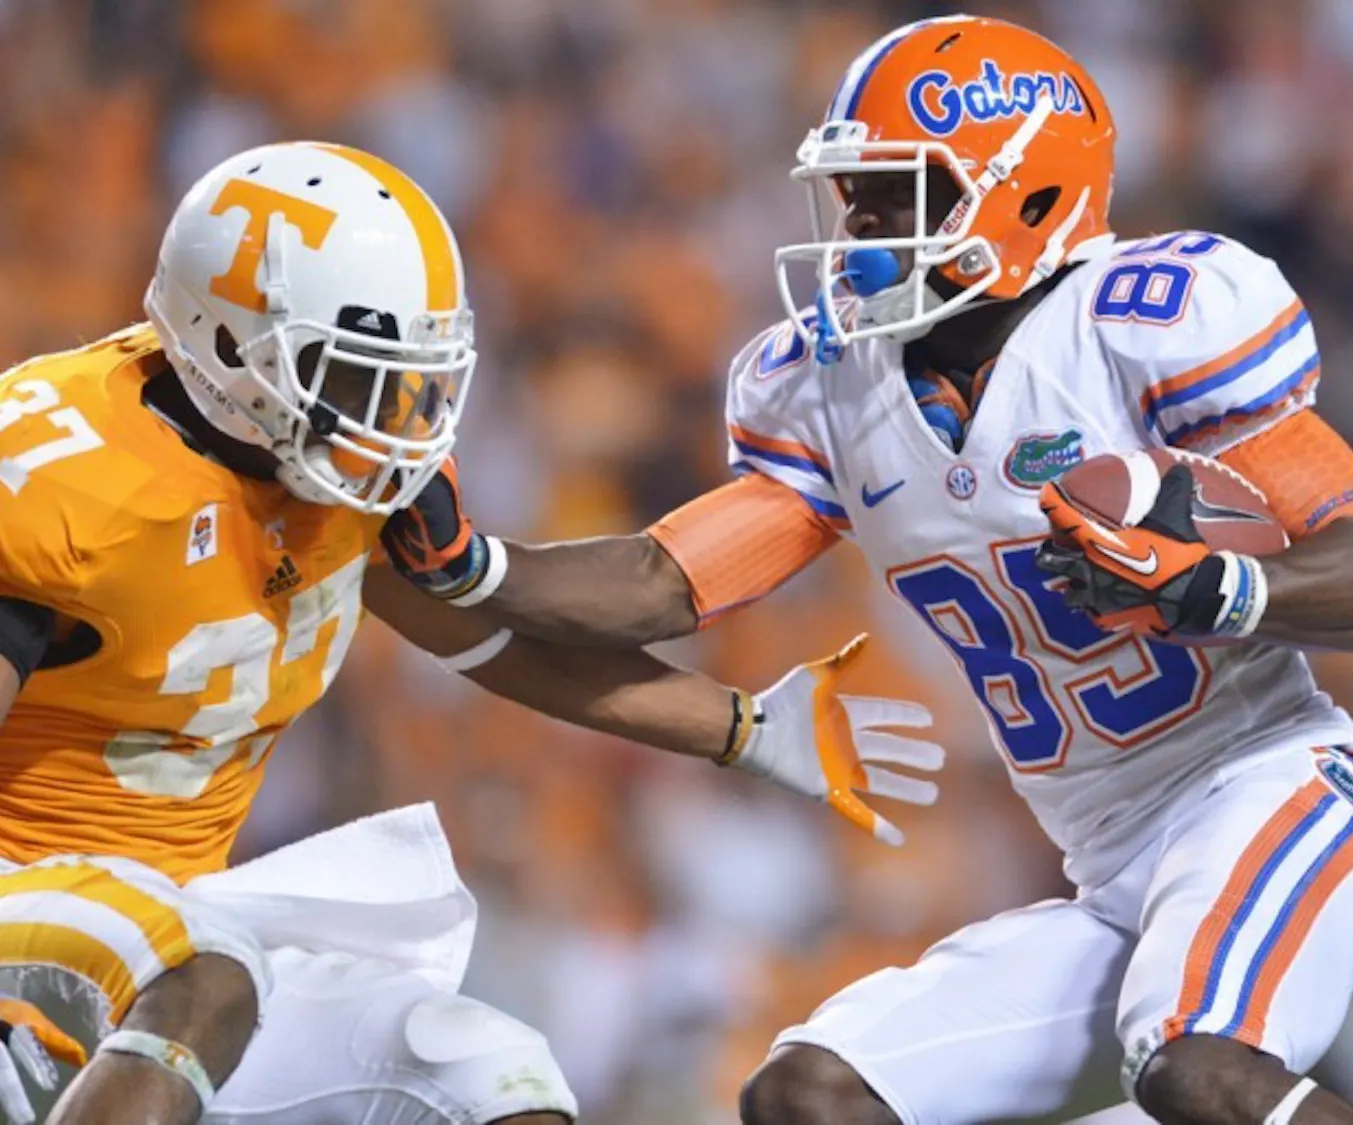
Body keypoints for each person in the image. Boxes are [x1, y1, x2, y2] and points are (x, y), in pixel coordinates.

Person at [396, 15, 1353, 1125]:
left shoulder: (1136, 325)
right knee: (811, 1096)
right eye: (856, 198)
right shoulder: (836, 388)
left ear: (1031, 193)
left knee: (1200, 1071)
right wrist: (471, 565)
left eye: (901, 196)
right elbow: (661, 582)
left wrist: (1213, 587)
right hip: (1107, 866)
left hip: (1274, 787)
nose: (861, 230)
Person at [0, 140, 942, 1125]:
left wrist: (742, 727)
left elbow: (491, 642)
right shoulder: (62, 482)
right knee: (204, 975)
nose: (393, 415)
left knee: (493, 1073)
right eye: (357, 374)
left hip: (183, 917)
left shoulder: (329, 466)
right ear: (234, 347)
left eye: (409, 376)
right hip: (33, 900)